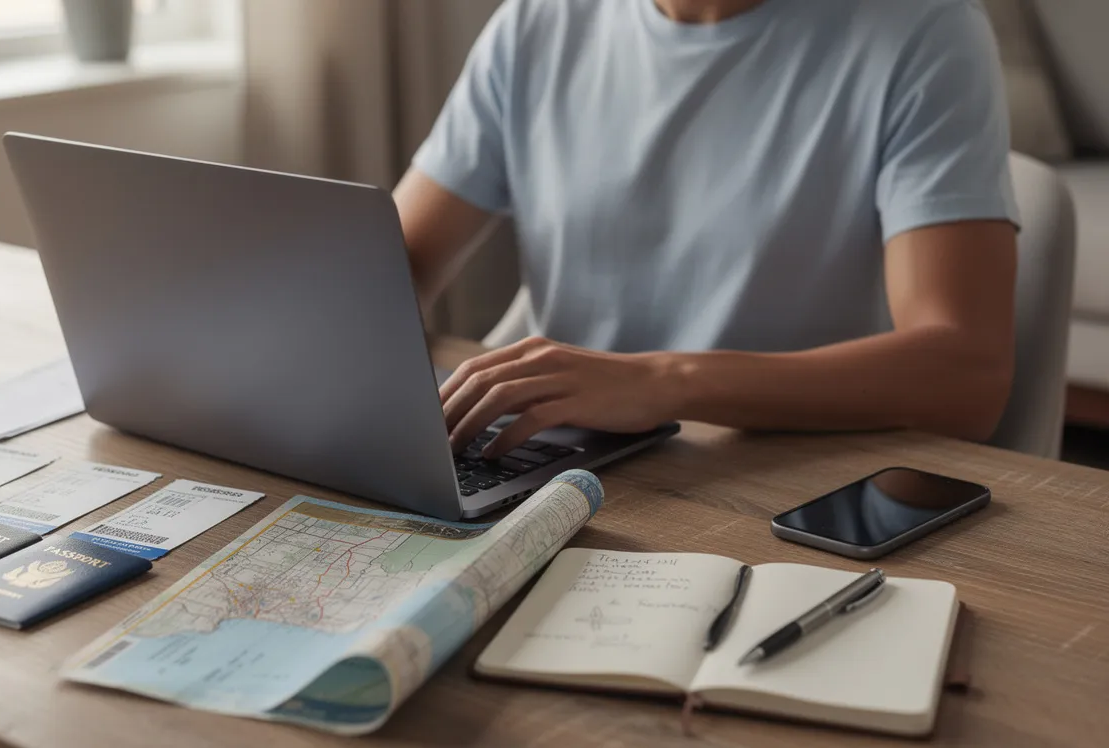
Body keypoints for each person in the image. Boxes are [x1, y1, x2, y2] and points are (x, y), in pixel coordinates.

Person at [395, 0, 1020, 459]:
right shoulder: (537, 22)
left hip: (786, 478)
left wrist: (667, 383)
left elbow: (966, 372)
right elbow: (391, 266)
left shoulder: (925, 30)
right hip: (556, 464)